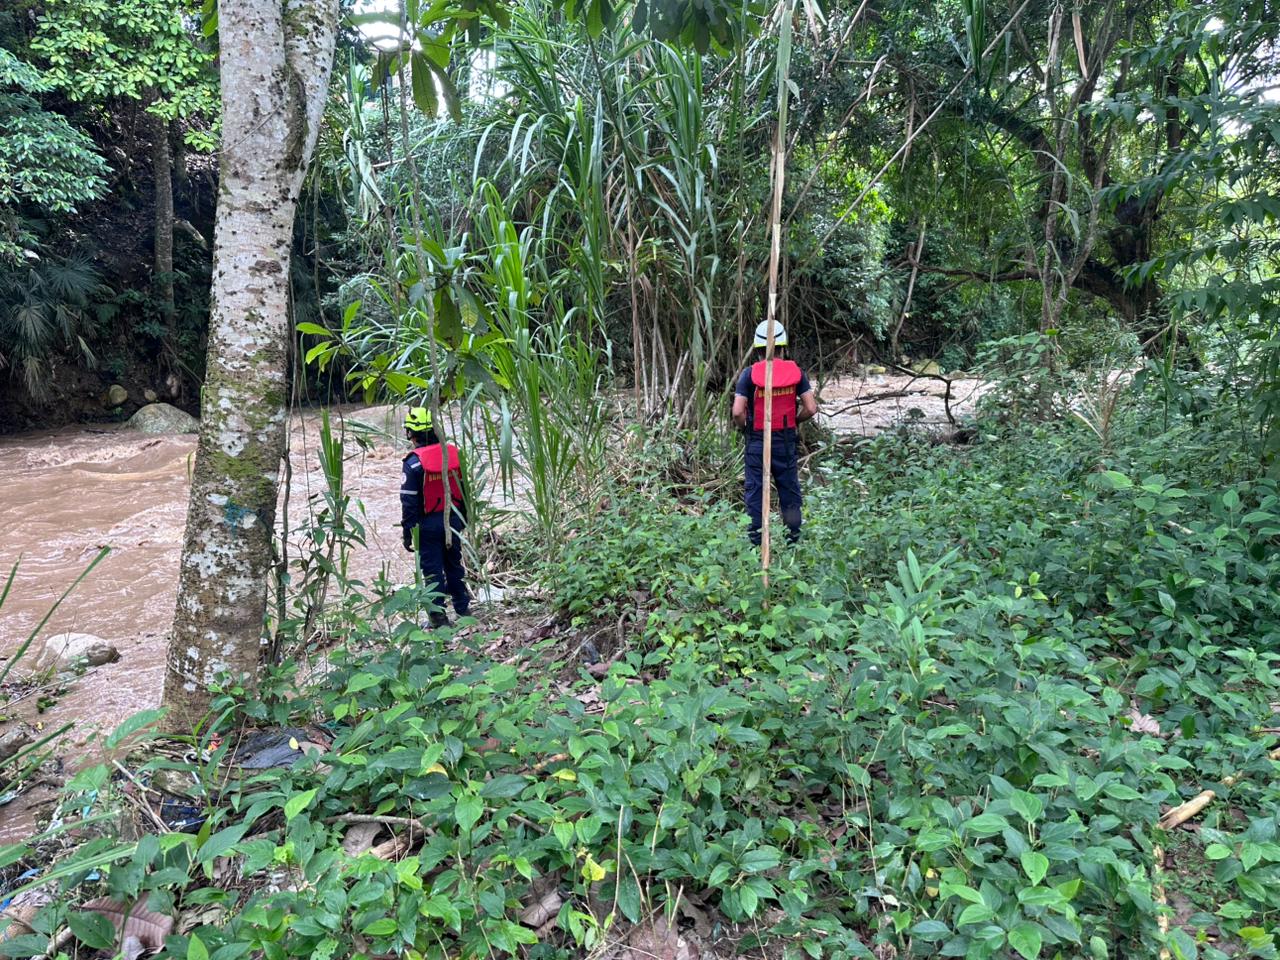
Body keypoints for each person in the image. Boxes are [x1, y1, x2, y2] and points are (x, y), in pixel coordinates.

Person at [731, 320, 818, 546]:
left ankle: (756, 543)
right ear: (782, 347)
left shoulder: (749, 375)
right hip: (786, 441)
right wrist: (794, 421)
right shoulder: (796, 373)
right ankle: (793, 540)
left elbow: (737, 411)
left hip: (757, 441)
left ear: (757, 348)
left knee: (756, 492)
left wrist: (745, 428)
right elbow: (811, 408)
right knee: (789, 491)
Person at [400, 406, 471, 627]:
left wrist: (408, 532)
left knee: (432, 571)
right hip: (453, 519)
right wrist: (464, 518)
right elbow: (464, 490)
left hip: (428, 525)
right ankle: (463, 609)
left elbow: (409, 503)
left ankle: (438, 619)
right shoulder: (453, 454)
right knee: (454, 564)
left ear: (411, 434)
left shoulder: (413, 463)